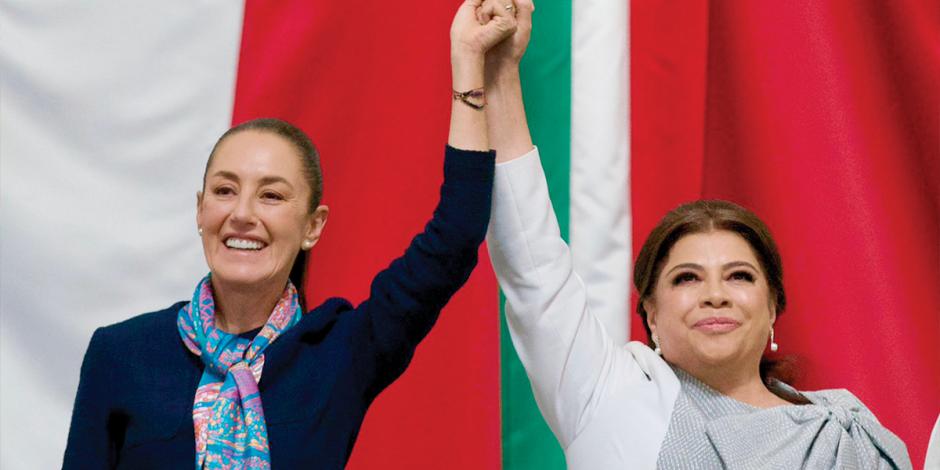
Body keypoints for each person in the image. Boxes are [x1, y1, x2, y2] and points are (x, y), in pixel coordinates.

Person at [62, 2, 517, 468]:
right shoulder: (121, 354)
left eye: (271, 197)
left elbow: (456, 234)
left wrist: (467, 58)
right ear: (200, 210)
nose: (242, 214)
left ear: (312, 226)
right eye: (224, 190)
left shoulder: (339, 353)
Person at [481, 1, 913, 468]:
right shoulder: (607, 397)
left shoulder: (847, 434)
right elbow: (534, 268)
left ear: (773, 307)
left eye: (740, 277)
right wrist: (501, 75)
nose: (715, 295)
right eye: (686, 278)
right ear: (649, 310)